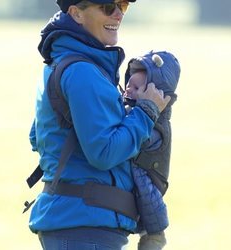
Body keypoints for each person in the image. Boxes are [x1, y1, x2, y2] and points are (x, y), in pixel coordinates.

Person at [28, 1, 171, 249]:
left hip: (78, 224)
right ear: (76, 13)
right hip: (84, 227)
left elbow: (37, 137)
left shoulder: (66, 63)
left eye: (122, 5)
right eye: (106, 6)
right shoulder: (83, 71)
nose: (117, 14)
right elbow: (103, 153)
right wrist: (146, 112)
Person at [124, 51, 181, 250]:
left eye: (137, 87)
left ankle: (154, 236)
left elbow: (136, 140)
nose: (128, 90)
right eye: (128, 85)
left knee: (150, 202)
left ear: (157, 93)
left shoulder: (157, 124)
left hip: (149, 178)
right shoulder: (133, 111)